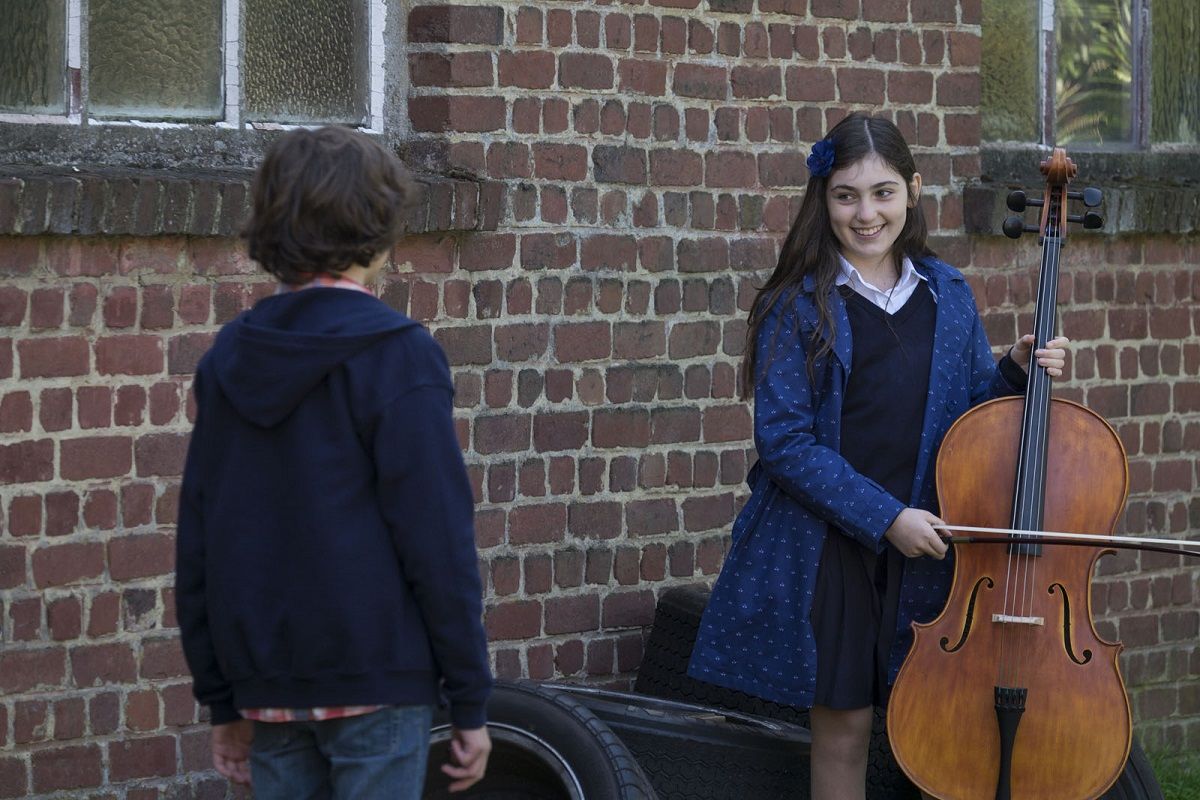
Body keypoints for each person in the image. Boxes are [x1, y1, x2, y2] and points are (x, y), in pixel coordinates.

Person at [687, 113, 1068, 800]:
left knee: (941, 720)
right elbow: (784, 443)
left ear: (914, 191)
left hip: (930, 545)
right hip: (832, 548)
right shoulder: (797, 304)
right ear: (823, 199)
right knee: (845, 730)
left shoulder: (947, 294)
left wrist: (1010, 368)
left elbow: (962, 413)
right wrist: (887, 516)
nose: (866, 214)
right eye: (846, 196)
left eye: (883, 193)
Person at [175, 126, 493, 799]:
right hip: (377, 677)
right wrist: (470, 699)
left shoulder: (229, 357)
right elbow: (437, 539)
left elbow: (200, 541)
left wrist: (223, 700)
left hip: (268, 685)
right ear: (378, 228)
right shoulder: (399, 355)